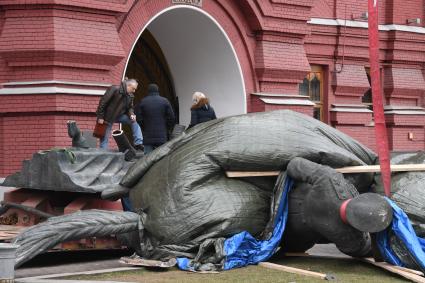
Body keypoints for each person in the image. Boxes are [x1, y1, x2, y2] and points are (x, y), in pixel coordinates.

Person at [96, 79, 144, 151]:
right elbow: (103, 102)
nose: (134, 91)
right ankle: (103, 153)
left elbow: (130, 108)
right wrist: (100, 117)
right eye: (133, 89)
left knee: (134, 121)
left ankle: (138, 143)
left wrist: (132, 114)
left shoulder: (130, 96)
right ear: (128, 85)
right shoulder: (114, 89)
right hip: (108, 117)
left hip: (120, 116)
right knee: (104, 137)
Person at [137, 83, 175, 154]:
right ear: (158, 91)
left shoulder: (143, 101)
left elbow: (138, 118)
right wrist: (167, 127)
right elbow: (172, 117)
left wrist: (144, 127)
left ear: (148, 91)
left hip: (148, 136)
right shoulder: (165, 101)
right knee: (161, 158)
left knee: (147, 160)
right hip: (162, 136)